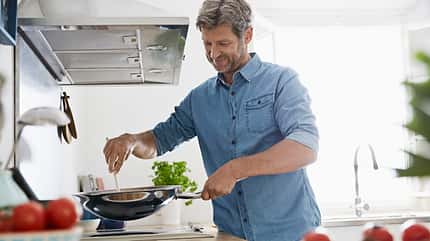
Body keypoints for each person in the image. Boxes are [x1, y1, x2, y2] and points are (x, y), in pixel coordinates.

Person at [103, 0, 320, 240]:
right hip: (232, 234)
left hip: (293, 232)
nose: (213, 54)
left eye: (223, 43)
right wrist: (132, 141)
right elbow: (159, 140)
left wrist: (235, 169)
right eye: (207, 44)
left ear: (247, 35)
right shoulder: (200, 99)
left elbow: (305, 147)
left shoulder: (282, 82)